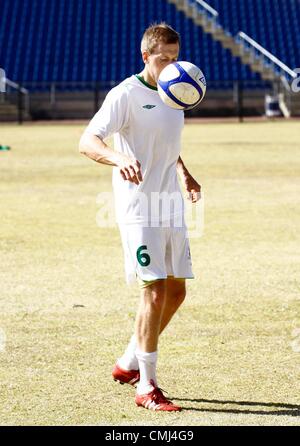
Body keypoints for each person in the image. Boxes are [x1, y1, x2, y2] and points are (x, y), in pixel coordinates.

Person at [79, 23, 201, 412]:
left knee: (177, 291)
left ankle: (129, 362)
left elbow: (164, 141)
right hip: (138, 206)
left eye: (174, 58)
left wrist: (183, 170)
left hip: (170, 203)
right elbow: (88, 141)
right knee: (155, 291)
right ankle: (146, 386)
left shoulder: (175, 92)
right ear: (145, 55)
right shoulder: (125, 95)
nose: (169, 66)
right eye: (162, 59)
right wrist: (119, 157)